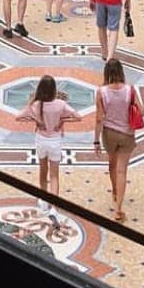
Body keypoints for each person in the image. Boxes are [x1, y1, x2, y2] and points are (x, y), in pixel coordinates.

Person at [16, 75, 84, 223]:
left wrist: (34, 119)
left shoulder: (35, 105)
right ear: (54, 90)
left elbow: (18, 117)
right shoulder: (60, 104)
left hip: (40, 139)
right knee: (54, 175)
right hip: (55, 141)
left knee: (42, 170)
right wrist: (62, 120)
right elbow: (79, 117)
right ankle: (54, 207)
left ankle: (43, 200)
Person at [93, 57, 138, 223]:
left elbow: (99, 119)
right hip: (127, 133)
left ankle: (114, 191)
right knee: (122, 171)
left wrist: (96, 141)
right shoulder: (130, 90)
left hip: (109, 133)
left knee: (112, 165)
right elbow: (143, 110)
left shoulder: (101, 92)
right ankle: (118, 208)